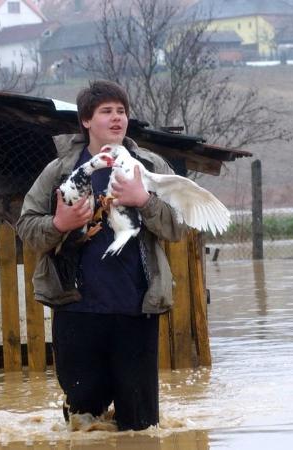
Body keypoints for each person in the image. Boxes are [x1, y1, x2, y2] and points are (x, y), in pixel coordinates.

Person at [16, 80, 185, 431]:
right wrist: (59, 223)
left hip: (137, 310)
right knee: (82, 425)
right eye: (106, 111)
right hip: (77, 311)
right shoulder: (60, 170)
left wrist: (145, 201)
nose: (117, 118)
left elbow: (178, 228)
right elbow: (28, 230)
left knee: (141, 428)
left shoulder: (149, 166)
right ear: (86, 121)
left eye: (121, 111)